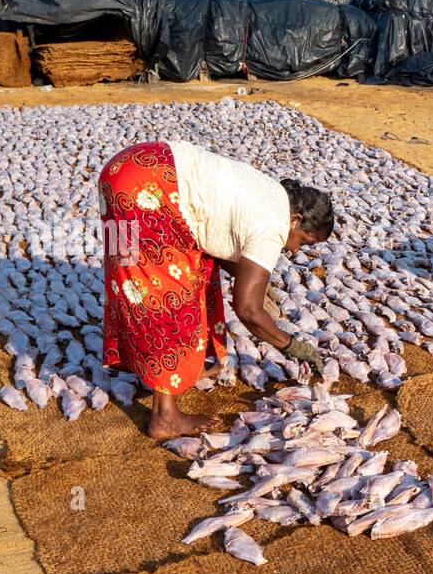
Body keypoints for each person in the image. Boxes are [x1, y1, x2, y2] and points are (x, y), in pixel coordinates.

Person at [98, 141, 334, 439]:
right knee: (167, 295)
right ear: (296, 220)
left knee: (138, 279)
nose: (297, 250)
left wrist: (260, 284)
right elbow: (247, 310)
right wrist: (294, 347)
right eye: (304, 242)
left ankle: (169, 367)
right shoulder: (273, 226)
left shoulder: (273, 195)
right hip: (150, 186)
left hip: (128, 169)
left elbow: (220, 242)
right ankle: (164, 416)